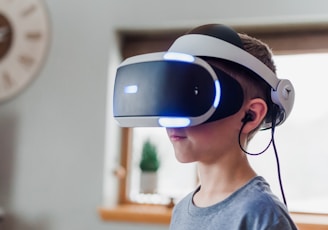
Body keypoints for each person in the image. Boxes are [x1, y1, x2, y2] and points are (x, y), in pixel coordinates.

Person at [167, 24, 298, 230]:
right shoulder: (182, 210)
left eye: (194, 96)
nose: (172, 117)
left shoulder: (262, 215)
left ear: (250, 115)